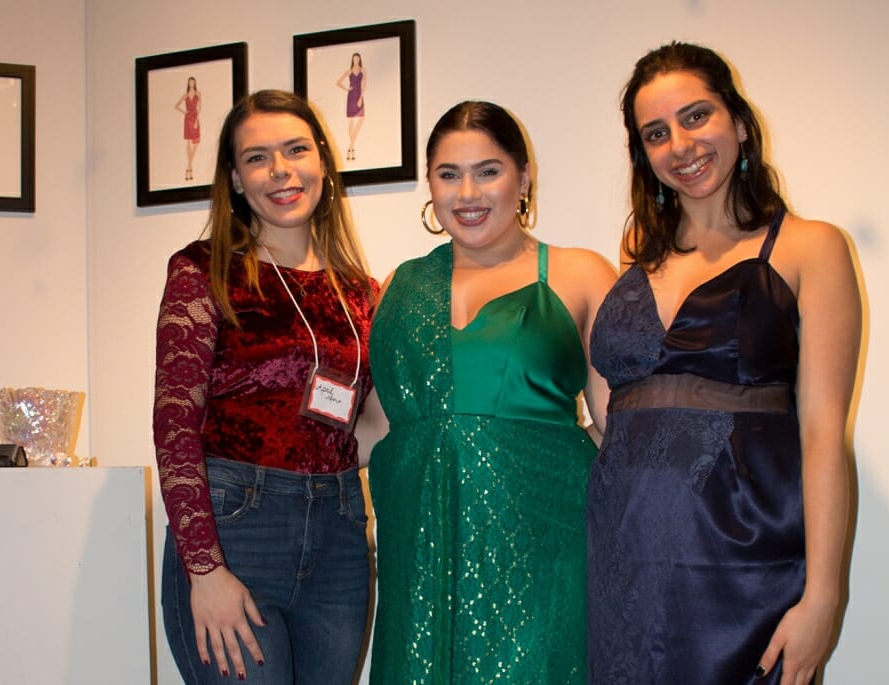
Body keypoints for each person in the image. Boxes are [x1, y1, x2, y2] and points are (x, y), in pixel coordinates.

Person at [587, 42, 861, 685]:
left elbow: (823, 434)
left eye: (696, 116)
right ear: (643, 155)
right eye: (656, 133)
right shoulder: (634, 258)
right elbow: (614, 415)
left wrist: (823, 597)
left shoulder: (810, 246)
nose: (680, 144)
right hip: (622, 552)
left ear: (738, 122)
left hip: (745, 559)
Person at [366, 101, 616, 683]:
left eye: (488, 170)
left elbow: (617, 426)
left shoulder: (581, 274)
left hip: (540, 555)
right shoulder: (400, 287)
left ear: (523, 177)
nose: (467, 193)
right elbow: (380, 427)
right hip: (423, 557)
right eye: (448, 174)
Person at [154, 89, 378, 684]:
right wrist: (203, 570)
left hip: (338, 537)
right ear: (234, 178)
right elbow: (174, 426)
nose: (280, 170)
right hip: (235, 530)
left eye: (296, 149)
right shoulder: (202, 270)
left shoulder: (361, 293)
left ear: (323, 163)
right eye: (257, 157)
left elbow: (373, 423)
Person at [335, 53, 365, 162]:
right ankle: (352, 147)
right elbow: (338, 82)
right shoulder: (349, 71)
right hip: (351, 96)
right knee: (351, 120)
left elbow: (363, 84)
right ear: (353, 60)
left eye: (357, 58)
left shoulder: (363, 70)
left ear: (359, 59)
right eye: (354, 58)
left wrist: (361, 97)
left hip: (358, 95)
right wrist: (347, 89)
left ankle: (351, 146)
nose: (356, 60)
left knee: (361, 118)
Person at [175, 76, 202, 181]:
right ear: (188, 83)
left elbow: (200, 107)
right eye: (190, 82)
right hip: (187, 119)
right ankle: (189, 169)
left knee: (196, 142)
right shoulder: (185, 95)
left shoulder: (198, 94)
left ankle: (189, 167)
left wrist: (196, 120)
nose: (191, 84)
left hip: (194, 118)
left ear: (194, 83)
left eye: (193, 82)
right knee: (188, 143)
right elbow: (176, 106)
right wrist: (184, 112)